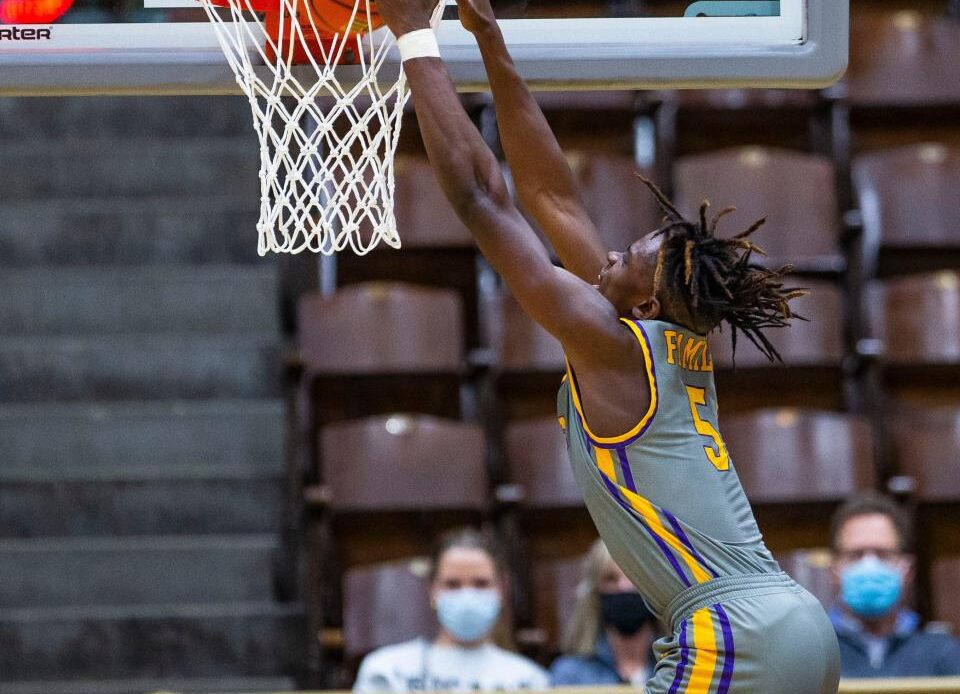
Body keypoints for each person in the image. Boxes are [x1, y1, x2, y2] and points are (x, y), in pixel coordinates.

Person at [374, 0, 841, 690]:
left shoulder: (615, 346)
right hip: (790, 623)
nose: (611, 253)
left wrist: (414, 35)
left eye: (626, 256)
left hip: (733, 632)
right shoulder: (661, 339)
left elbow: (485, 201)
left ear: (646, 301)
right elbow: (552, 198)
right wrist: (490, 41)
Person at [353, 527, 548, 691]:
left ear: (501, 588)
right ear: (432, 590)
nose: (467, 595)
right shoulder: (386, 671)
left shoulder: (529, 681)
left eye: (481, 584)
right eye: (453, 584)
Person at [829, 491, 960, 677]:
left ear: (908, 569)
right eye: (855, 555)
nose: (869, 566)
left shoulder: (945, 655)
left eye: (883, 555)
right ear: (833, 570)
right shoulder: (809, 655)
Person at [551, 539, 659, 686]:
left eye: (635, 576)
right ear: (595, 591)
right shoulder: (570, 675)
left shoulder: (682, 668)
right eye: (611, 579)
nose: (623, 587)